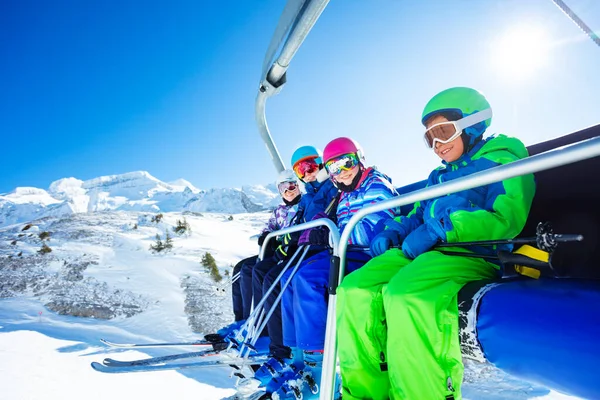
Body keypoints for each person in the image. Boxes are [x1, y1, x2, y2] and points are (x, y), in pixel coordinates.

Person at [336, 87, 536, 400]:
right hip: (429, 252)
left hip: (472, 252)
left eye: (442, 132)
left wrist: (442, 229)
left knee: (405, 294)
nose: (436, 145)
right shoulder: (438, 177)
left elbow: (505, 218)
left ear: (472, 125)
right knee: (354, 289)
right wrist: (395, 230)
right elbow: (416, 212)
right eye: (430, 138)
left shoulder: (502, 160)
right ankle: (364, 394)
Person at [259, 137, 400, 399]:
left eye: (347, 163)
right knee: (289, 277)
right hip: (345, 251)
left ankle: (317, 364)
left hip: (365, 255)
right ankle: (297, 356)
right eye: (335, 168)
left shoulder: (375, 184)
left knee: (308, 278)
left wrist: (329, 235)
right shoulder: (344, 192)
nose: (342, 172)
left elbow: (376, 228)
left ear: (360, 159)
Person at [252, 146, 339, 360]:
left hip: (319, 247)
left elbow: (334, 213)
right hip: (306, 246)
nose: (308, 173)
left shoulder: (332, 186)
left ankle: (283, 348)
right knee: (263, 272)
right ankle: (279, 341)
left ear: (321, 163)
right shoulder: (309, 195)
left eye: (311, 166)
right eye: (301, 171)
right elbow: (298, 221)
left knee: (278, 277)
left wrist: (311, 230)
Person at [205, 169, 302, 344]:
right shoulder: (279, 211)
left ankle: (258, 323)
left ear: (299, 185)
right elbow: (269, 227)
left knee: (253, 269)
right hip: (274, 251)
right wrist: (266, 236)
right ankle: (241, 319)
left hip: (289, 252)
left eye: (292, 186)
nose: (288, 191)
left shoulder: (302, 207)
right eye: (283, 188)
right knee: (240, 268)